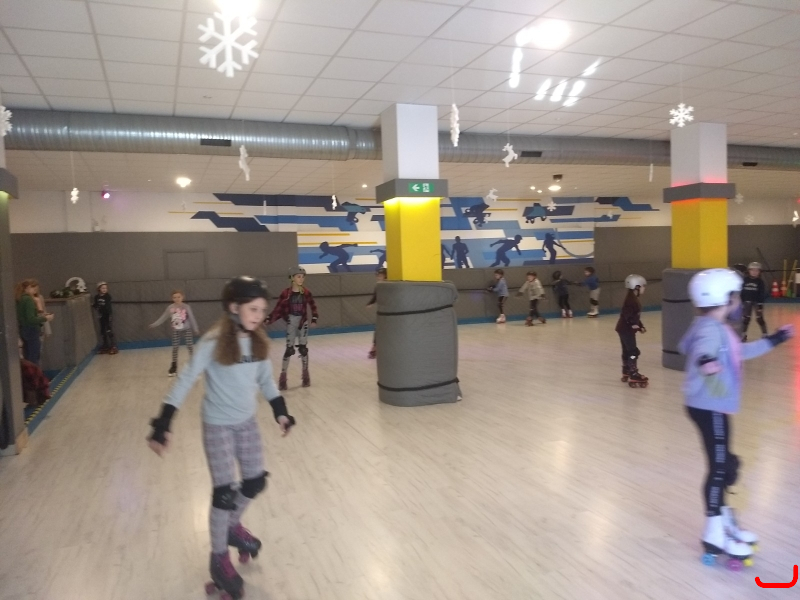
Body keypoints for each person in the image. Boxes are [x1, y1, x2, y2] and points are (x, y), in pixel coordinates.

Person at [147, 276, 295, 600]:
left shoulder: (258, 342)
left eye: (262, 310)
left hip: (247, 423)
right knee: (224, 493)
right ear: (233, 307)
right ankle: (218, 558)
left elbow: (266, 381)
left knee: (255, 481)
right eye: (253, 309)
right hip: (217, 426)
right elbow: (186, 380)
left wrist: (280, 411)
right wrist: (163, 423)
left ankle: (231, 527)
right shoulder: (213, 342)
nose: (259, 316)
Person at [680, 268, 793, 567]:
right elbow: (703, 350)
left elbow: (739, 351)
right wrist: (707, 362)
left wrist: (774, 340)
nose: (740, 301)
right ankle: (714, 532)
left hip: (708, 405)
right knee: (719, 468)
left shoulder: (714, 326)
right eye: (737, 296)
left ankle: (723, 519)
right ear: (724, 298)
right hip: (711, 406)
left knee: (725, 464)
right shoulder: (709, 329)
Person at [268, 267, 318, 390]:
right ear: (292, 278)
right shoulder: (286, 294)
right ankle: (283, 377)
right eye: (298, 276)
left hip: (302, 321)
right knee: (289, 349)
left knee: (303, 349)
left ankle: (305, 375)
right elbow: (278, 308)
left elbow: (313, 305)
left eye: (303, 277)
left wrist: (314, 318)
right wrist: (269, 318)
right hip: (291, 321)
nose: (301, 279)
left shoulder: (306, 292)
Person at [149, 290, 201, 377]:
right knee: (175, 348)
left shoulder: (186, 307)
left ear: (182, 297)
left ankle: (194, 366)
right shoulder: (170, 308)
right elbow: (163, 317)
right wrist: (155, 324)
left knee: (190, 346)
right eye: (174, 297)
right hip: (176, 330)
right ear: (172, 298)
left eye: (178, 297)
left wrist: (195, 328)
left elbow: (192, 318)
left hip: (186, 329)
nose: (177, 299)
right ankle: (174, 367)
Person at [616, 275, 648, 387]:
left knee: (627, 351)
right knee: (633, 352)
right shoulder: (632, 301)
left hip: (623, 328)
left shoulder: (631, 298)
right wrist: (634, 325)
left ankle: (626, 370)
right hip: (626, 330)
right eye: (643, 286)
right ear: (636, 287)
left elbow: (634, 317)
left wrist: (640, 326)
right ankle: (633, 373)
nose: (644, 288)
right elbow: (628, 316)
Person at [16, 279, 53, 364]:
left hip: (23, 329)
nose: (35, 290)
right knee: (34, 356)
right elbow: (31, 319)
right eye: (34, 288)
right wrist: (46, 318)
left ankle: (29, 371)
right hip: (31, 330)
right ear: (28, 288)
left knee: (27, 355)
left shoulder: (19, 298)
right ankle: (35, 372)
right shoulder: (28, 299)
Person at [740, 262, 767, 342]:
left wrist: (760, 305)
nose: (754, 272)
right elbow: (741, 292)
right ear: (749, 271)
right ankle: (743, 334)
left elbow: (762, 293)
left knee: (759, 318)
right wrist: (741, 302)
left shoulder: (760, 282)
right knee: (746, 319)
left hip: (756, 302)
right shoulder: (744, 280)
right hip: (746, 302)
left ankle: (765, 334)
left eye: (757, 270)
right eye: (752, 270)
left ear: (759, 272)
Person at [366, 267, 387, 359]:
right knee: (378, 330)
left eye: (380, 275)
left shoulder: (390, 286)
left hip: (392, 312)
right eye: (377, 276)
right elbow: (375, 296)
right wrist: (370, 303)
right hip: (383, 312)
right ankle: (374, 348)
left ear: (386, 276)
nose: (378, 277)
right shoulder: (378, 286)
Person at [93, 282, 117, 355]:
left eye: (106, 288)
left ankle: (113, 346)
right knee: (103, 331)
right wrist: (95, 306)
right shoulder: (96, 297)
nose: (104, 289)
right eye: (103, 288)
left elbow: (107, 306)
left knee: (109, 330)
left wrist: (107, 312)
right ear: (99, 289)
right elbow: (96, 305)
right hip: (101, 315)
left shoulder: (107, 296)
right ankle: (105, 345)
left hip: (107, 315)